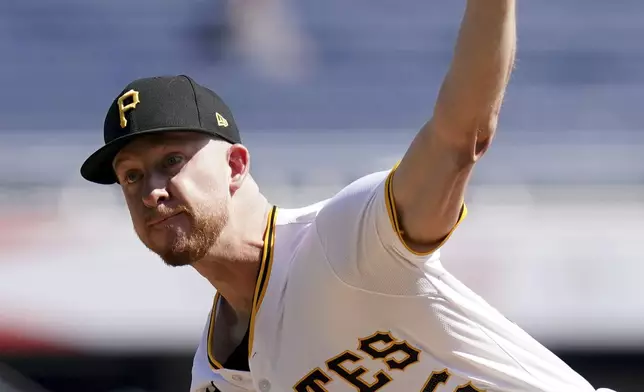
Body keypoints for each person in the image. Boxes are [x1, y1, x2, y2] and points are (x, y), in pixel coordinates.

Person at [80, 1, 616, 391]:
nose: (151, 190)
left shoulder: (341, 242)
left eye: (171, 161)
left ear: (236, 165)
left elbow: (460, 138)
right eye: (130, 176)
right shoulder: (216, 375)